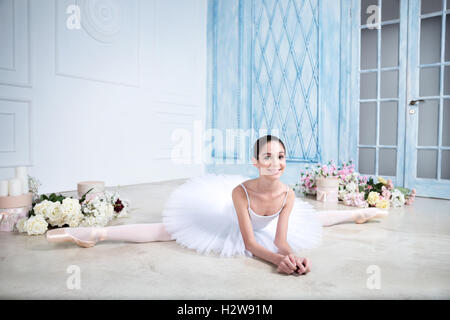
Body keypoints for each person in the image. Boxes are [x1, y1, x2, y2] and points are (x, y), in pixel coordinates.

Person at [46, 135, 387, 275]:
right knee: (166, 232)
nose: (275, 162)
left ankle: (358, 213)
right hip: (234, 224)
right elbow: (252, 244)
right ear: (256, 162)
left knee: (311, 218)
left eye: (280, 157)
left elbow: (280, 239)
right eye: (267, 157)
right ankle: (96, 233)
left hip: (271, 224)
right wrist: (278, 263)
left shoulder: (288, 194)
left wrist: (290, 255)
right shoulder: (240, 192)